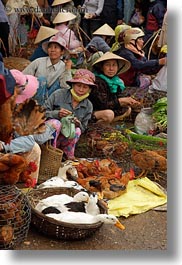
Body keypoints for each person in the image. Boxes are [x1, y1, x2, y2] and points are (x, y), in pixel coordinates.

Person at [43, 68, 96, 160]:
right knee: (56, 123)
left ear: (89, 90)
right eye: (78, 85)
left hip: (65, 138)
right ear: (72, 85)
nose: (81, 89)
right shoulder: (58, 94)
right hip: (48, 136)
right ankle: (50, 154)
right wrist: (57, 114)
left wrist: (77, 123)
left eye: (85, 87)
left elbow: (83, 128)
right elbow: (42, 113)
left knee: (77, 130)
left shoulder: (88, 105)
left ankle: (67, 156)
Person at [88, 51, 141, 123]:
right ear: (102, 67)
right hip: (93, 111)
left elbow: (118, 96)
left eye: (114, 65)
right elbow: (102, 105)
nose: (111, 68)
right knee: (109, 115)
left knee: (128, 109)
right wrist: (121, 101)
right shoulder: (98, 81)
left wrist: (130, 101)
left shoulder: (116, 81)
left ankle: (106, 123)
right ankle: (94, 126)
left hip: (108, 108)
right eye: (107, 65)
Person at [22, 35, 72, 105]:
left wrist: (68, 70)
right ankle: (39, 105)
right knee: (41, 80)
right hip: (35, 95)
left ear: (62, 51)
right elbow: (24, 77)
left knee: (59, 83)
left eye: (56, 47)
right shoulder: (39, 61)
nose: (52, 50)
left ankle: (47, 106)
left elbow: (66, 86)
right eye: (50, 47)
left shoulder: (63, 66)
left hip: (51, 96)